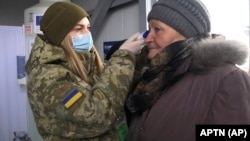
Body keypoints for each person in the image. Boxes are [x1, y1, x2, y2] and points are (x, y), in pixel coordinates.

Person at [123, 0, 250, 140]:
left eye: (157, 29)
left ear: (186, 34)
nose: (148, 38)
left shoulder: (227, 79)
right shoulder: (153, 75)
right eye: (149, 29)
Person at [25, 2, 145, 141]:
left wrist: (140, 59)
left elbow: (112, 90)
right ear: (60, 34)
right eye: (79, 28)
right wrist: (123, 57)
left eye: (88, 27)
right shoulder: (47, 77)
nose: (88, 33)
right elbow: (97, 116)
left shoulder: (85, 63)